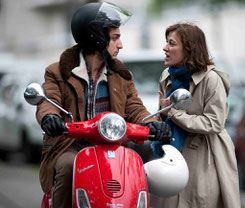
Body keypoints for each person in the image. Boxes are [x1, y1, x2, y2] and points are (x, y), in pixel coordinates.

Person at [36, 2, 171, 208]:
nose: (121, 45)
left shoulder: (122, 75)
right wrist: (49, 117)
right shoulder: (57, 72)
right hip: (71, 145)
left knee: (133, 168)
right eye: (115, 38)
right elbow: (50, 101)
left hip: (112, 146)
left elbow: (134, 107)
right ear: (96, 37)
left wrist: (153, 123)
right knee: (68, 166)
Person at [150, 23, 241, 208]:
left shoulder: (211, 79)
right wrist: (159, 118)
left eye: (172, 43)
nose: (165, 48)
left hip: (206, 155)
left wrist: (173, 113)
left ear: (189, 49)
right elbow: (163, 115)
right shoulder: (166, 76)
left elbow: (214, 123)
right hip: (172, 153)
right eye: (166, 42)